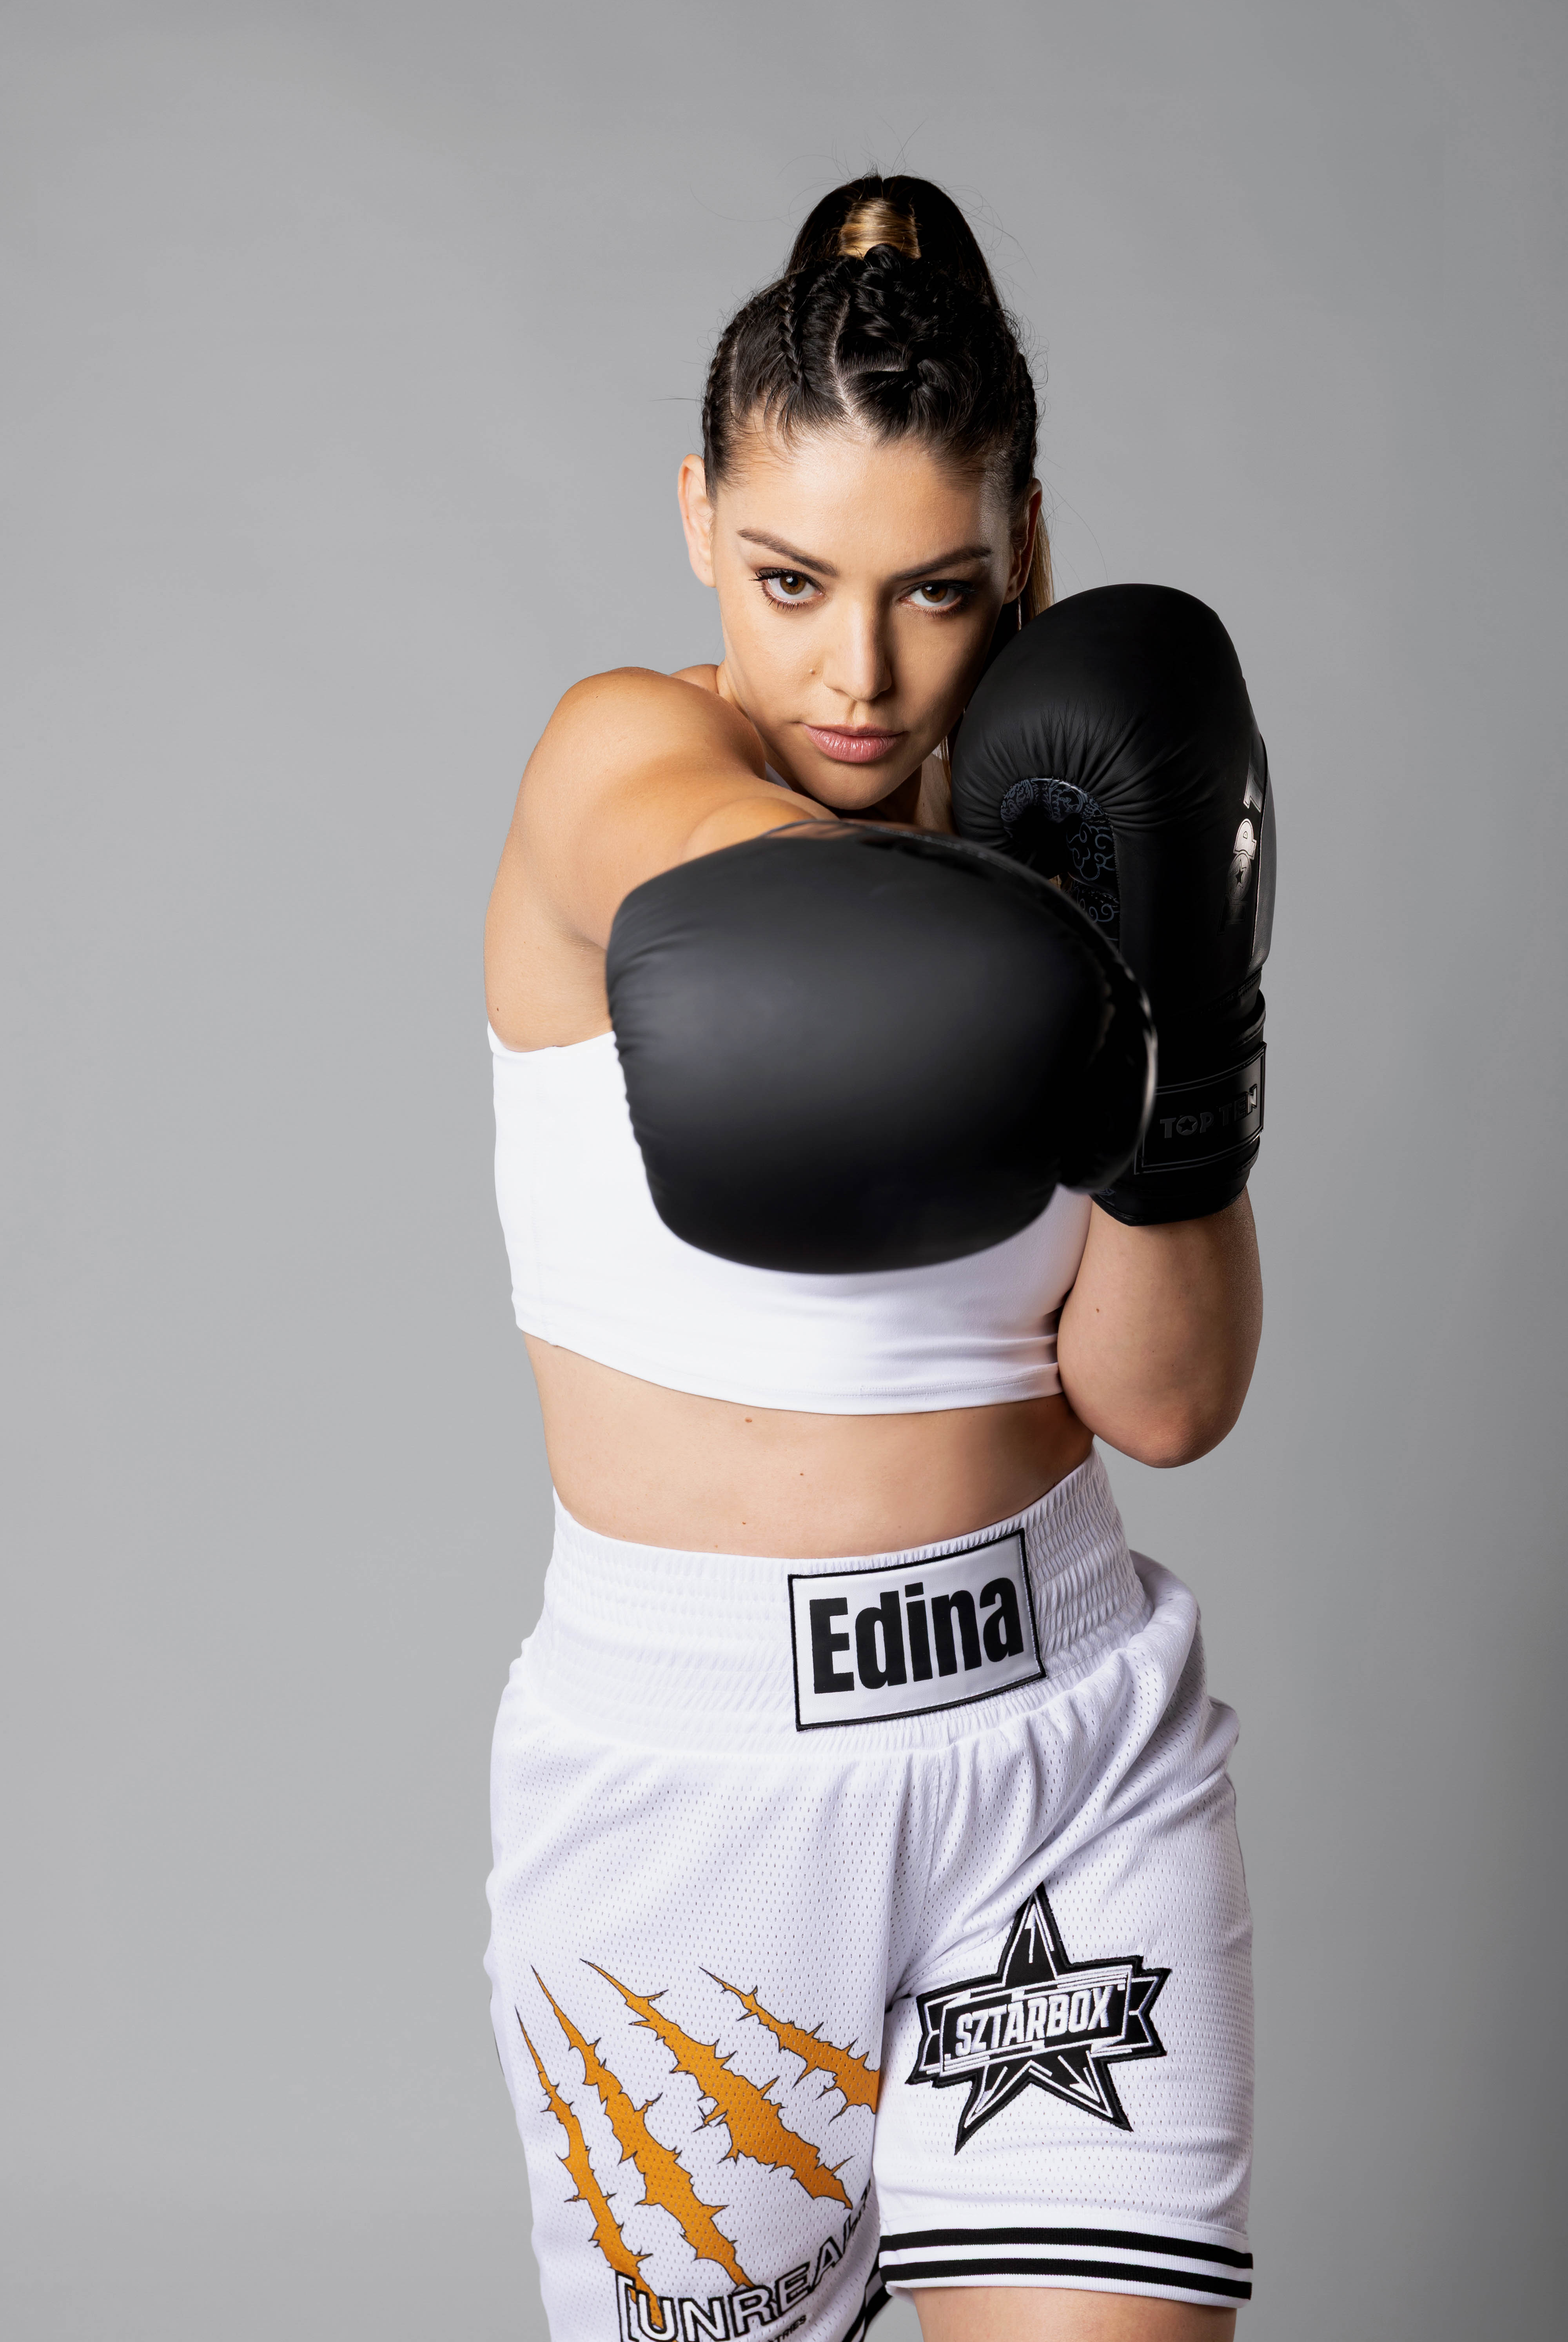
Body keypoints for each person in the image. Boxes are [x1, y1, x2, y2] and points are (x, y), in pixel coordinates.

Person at [483, 174, 1270, 2342]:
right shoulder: (621, 757)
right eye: (790, 580)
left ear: (1024, 549)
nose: (858, 671)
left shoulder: (1070, 830)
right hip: (702, 1800)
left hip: (1068, 1742)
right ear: (694, 518)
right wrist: (1076, 953)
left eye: (935, 589)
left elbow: (1169, 1402)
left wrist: (1187, 1027)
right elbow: (758, 921)